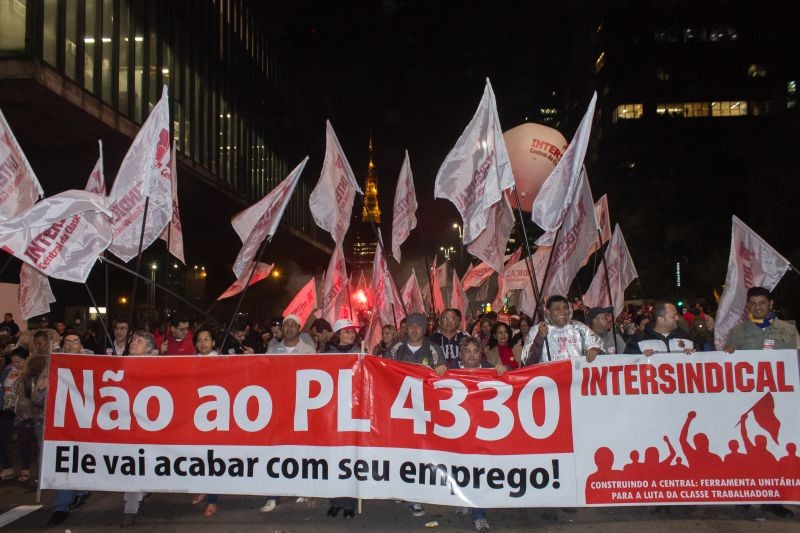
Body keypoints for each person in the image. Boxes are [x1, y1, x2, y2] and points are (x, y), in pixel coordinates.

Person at [387, 312, 446, 518]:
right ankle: (400, 489)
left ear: (424, 329)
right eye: (410, 326)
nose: (413, 329)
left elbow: (442, 374)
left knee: (420, 454)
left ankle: (416, 498)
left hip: (423, 411)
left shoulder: (433, 349)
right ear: (405, 328)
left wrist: (440, 369)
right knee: (400, 452)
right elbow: (385, 373)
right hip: (401, 410)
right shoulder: (395, 349)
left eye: (418, 326)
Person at [451, 336, 504, 531]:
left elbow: (514, 383)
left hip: (484, 432)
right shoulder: (450, 371)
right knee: (461, 470)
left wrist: (504, 371)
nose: (472, 356)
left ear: (481, 353)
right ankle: (465, 501)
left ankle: (479, 513)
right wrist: (438, 372)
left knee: (480, 472)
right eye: (467, 351)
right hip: (459, 433)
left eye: (475, 351)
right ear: (460, 354)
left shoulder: (491, 370)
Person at [45, 333, 91, 527]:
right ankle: (61, 507)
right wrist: (40, 387)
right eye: (68, 341)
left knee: (82, 460)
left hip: (88, 421)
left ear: (81, 345)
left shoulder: (94, 363)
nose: (71, 344)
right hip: (62, 423)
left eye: (76, 341)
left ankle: (80, 491)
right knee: (66, 462)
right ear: (62, 346)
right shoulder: (53, 365)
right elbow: (39, 397)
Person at [324, 319, 362, 518]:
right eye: (346, 332)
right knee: (334, 457)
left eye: (352, 332)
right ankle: (335, 500)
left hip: (354, 411)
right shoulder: (327, 355)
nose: (350, 335)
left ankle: (349, 503)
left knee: (351, 457)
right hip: (333, 412)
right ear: (338, 334)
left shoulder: (361, 353)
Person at [190, 326, 220, 517]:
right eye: (200, 340)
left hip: (216, 418)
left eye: (207, 339)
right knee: (198, 457)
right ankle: (203, 489)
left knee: (212, 459)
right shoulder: (190, 363)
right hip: (196, 417)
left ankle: (213, 500)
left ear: (214, 342)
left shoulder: (224, 362)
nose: (203, 343)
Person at [522, 295, 603, 364]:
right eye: (557, 309)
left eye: (565, 308)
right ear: (548, 313)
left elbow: (599, 348)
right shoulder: (537, 330)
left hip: (577, 380)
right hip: (549, 380)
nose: (563, 312)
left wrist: (595, 350)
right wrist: (539, 338)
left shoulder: (579, 327)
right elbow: (528, 361)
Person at [723, 287, 799, 353]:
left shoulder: (789, 329)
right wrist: (727, 352)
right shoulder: (737, 332)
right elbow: (730, 361)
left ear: (771, 304)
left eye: (762, 303)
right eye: (753, 303)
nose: (757, 307)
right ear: (748, 305)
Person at [624, 301, 694, 356]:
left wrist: (693, 355)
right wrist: (641, 358)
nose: (677, 318)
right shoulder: (637, 340)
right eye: (674, 316)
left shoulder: (686, 336)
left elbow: (700, 361)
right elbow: (629, 364)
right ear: (661, 319)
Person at [0, 347, 29, 481]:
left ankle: (25, 469)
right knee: (2, 439)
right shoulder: (7, 370)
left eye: (19, 361)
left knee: (24, 440)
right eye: (13, 361)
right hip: (6, 409)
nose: (15, 364)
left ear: (26, 359)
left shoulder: (29, 372)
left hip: (22, 411)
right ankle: (7, 467)